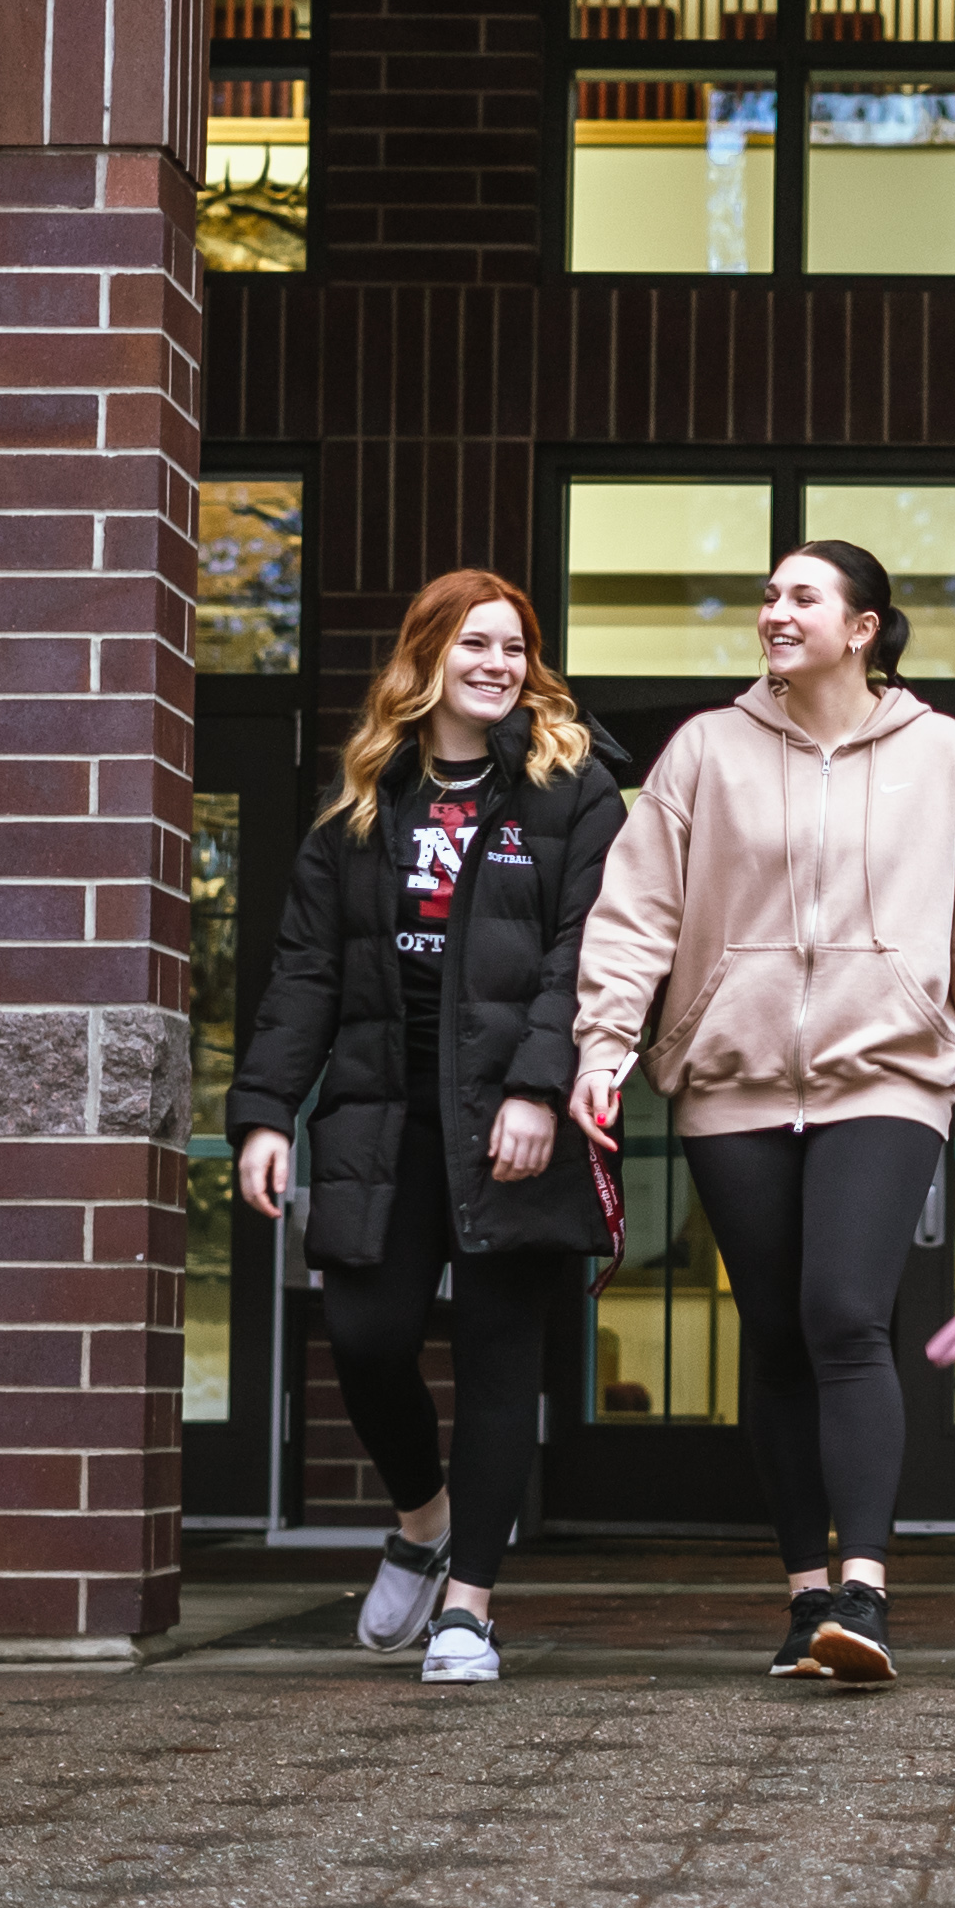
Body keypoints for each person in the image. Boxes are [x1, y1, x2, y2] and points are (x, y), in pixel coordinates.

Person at [574, 540, 955, 1687]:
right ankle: (802, 1600)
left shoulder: (941, 757)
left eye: (801, 597)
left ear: (864, 625)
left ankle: (867, 1591)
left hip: (885, 1072)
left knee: (842, 1313)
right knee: (777, 1335)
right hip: (731, 1079)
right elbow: (636, 912)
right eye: (768, 597)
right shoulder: (706, 753)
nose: (773, 613)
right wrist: (606, 1041)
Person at [230, 570, 625, 1686]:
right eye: (474, 646)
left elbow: (583, 954)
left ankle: (468, 1609)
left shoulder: (571, 791)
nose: (498, 664)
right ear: (425, 660)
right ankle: (422, 1518)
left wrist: (538, 1089)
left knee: (503, 1364)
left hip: (512, 1118)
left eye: (515, 647)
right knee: (364, 1335)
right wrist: (267, 1113)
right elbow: (304, 972)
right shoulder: (365, 800)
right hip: (380, 1114)